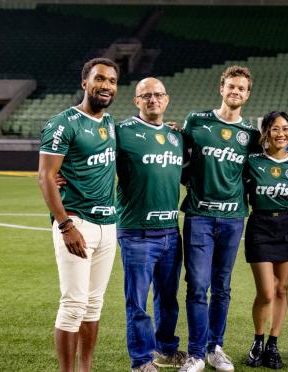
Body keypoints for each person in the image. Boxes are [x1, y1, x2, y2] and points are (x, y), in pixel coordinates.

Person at [37, 57, 119, 372]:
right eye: (100, 79)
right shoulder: (64, 122)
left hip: (108, 225)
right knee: (73, 305)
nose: (106, 86)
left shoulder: (110, 122)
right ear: (85, 83)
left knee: (94, 306)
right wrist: (66, 225)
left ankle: (86, 368)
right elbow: (46, 177)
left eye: (112, 81)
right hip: (77, 222)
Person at [178, 66, 261, 372]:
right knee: (198, 285)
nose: (235, 92)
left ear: (247, 94)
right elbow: (179, 161)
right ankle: (196, 353)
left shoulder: (251, 136)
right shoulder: (197, 121)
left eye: (241, 88)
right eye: (231, 86)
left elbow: (257, 172)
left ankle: (215, 348)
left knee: (222, 286)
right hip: (199, 216)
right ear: (221, 88)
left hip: (233, 219)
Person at [115, 78, 187, 371]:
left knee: (168, 299)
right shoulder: (122, 133)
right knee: (138, 303)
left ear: (167, 99)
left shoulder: (176, 136)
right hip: (137, 233)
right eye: (146, 95)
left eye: (158, 95)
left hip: (171, 231)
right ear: (137, 101)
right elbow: (93, 156)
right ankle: (141, 360)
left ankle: (166, 349)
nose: (153, 99)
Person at [243, 111, 288, 370]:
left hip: (286, 226)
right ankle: (258, 340)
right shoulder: (252, 161)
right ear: (266, 132)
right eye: (275, 129)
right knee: (266, 292)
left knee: (282, 289)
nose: (281, 134)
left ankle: (273, 344)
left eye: (285, 129)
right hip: (260, 226)